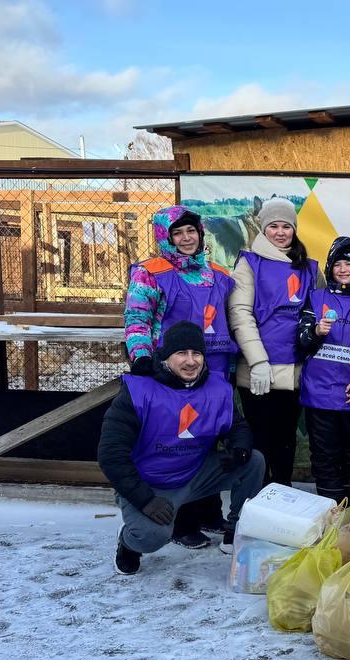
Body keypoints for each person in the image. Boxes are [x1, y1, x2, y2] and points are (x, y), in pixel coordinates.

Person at [98, 321, 264, 575]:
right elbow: (110, 455)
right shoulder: (138, 391)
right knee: (152, 537)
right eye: (181, 353)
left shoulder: (217, 389)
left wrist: (239, 448)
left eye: (196, 353)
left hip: (194, 474)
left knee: (253, 461)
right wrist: (145, 500)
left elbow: (237, 426)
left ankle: (235, 530)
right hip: (150, 484)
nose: (190, 361)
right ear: (165, 357)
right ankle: (128, 543)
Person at [123, 205, 235, 549]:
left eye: (192, 231)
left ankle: (208, 511)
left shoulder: (218, 273)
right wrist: (142, 357)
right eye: (178, 233)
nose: (187, 239)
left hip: (214, 368)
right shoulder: (150, 273)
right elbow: (137, 318)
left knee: (210, 436)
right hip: (170, 373)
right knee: (180, 440)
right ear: (165, 236)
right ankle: (182, 521)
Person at [228, 197, 318, 489]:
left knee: (286, 438)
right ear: (263, 229)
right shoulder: (249, 263)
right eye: (274, 226)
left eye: (286, 226)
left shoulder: (308, 267)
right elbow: (240, 314)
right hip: (260, 372)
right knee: (261, 440)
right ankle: (258, 498)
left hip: (293, 370)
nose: (281, 232)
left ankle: (283, 496)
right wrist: (257, 361)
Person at [296, 236, 350, 506]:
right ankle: (329, 505)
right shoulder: (316, 298)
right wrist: (315, 332)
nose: (343, 269)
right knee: (325, 453)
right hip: (319, 393)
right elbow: (300, 341)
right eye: (337, 264)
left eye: (349, 264)